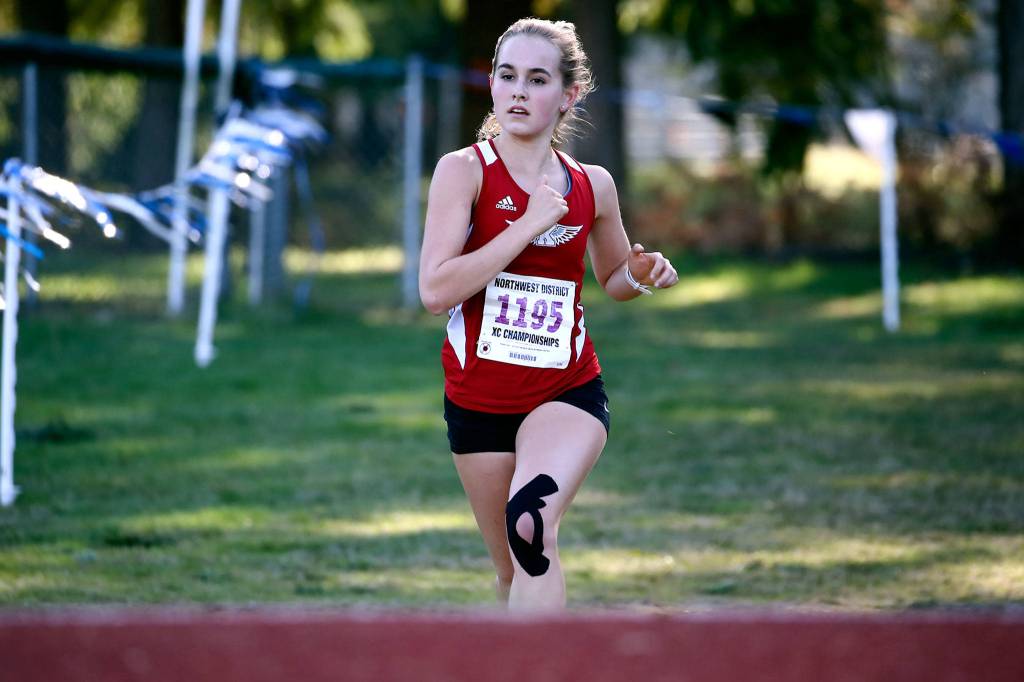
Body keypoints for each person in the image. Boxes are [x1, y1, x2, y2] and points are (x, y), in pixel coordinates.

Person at [419, 17, 679, 611]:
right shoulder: (463, 172)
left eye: (537, 79)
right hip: (478, 401)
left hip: (566, 391)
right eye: (506, 76)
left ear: (568, 95)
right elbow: (435, 291)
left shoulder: (594, 185)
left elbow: (614, 278)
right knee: (513, 571)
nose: (518, 91)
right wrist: (528, 224)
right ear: (490, 84)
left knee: (530, 527)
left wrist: (641, 275)